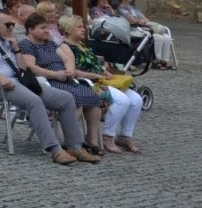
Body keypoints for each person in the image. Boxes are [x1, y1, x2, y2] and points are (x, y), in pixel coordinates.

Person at [0, 10, 94, 165]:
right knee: (34, 101)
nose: (12, 27)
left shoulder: (9, 41)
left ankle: (75, 146)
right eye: (8, 24)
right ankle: (55, 149)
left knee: (66, 98)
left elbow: (23, 68)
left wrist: (16, 48)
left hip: (20, 82)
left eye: (13, 24)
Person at [16, 11, 104, 150]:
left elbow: (67, 58)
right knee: (75, 99)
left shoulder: (50, 43)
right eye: (42, 28)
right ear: (30, 30)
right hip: (48, 81)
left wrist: (69, 70)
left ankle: (91, 140)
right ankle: (73, 141)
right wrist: (55, 74)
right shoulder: (27, 45)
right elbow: (31, 68)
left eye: (47, 27)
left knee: (94, 98)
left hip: (65, 78)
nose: (47, 31)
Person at [59, 13, 145, 154]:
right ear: (68, 29)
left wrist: (105, 69)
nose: (83, 29)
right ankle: (108, 136)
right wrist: (99, 75)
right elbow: (75, 72)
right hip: (88, 84)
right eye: (79, 27)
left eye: (83, 26)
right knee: (121, 101)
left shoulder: (80, 45)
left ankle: (125, 135)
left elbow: (94, 63)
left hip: (101, 79)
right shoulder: (66, 47)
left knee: (136, 100)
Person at [116, 0, 174, 68]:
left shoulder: (133, 8)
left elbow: (146, 19)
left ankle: (164, 61)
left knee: (167, 37)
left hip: (143, 27)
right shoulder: (121, 8)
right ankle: (157, 61)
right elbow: (133, 21)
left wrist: (140, 21)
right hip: (134, 29)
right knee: (158, 37)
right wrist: (140, 21)